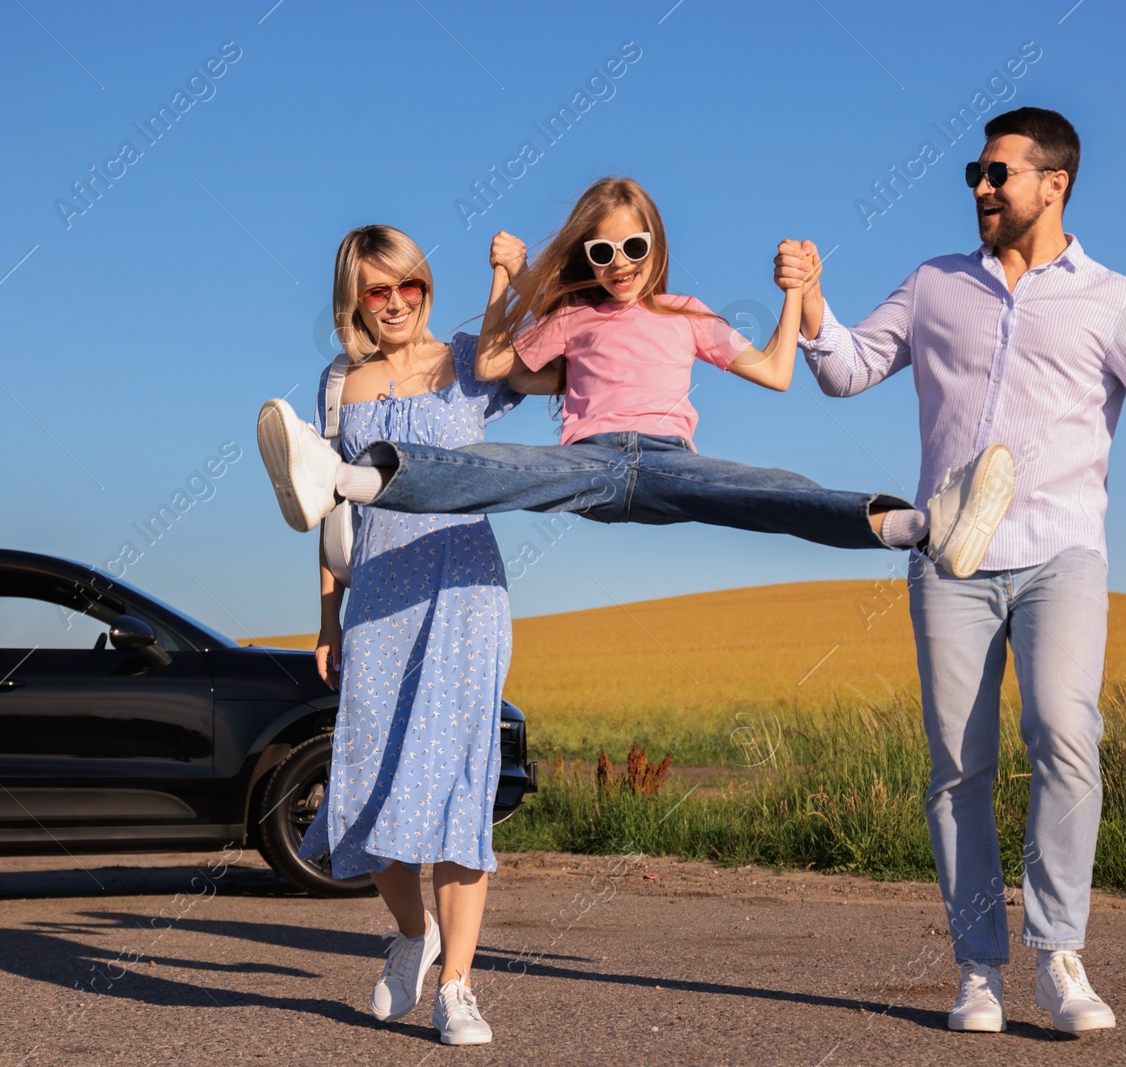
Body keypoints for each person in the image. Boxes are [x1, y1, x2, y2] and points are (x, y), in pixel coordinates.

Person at [776, 107, 1126, 1034]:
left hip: (1063, 553)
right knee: (958, 767)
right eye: (976, 172)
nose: (981, 188)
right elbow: (847, 370)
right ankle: (977, 971)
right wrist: (811, 301)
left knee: (1064, 732)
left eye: (999, 174)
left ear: (1056, 184)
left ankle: (1059, 956)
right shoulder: (934, 284)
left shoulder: (1115, 298)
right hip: (950, 562)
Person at [257, 177, 1017, 578]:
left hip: (668, 462)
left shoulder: (686, 313)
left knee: (771, 488)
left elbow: (780, 372)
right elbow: (491, 364)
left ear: (656, 246)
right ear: (585, 258)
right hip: (588, 461)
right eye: (600, 253)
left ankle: (926, 527)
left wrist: (797, 291)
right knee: (495, 469)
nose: (617, 265)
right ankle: (340, 480)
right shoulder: (575, 317)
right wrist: (508, 280)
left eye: (633, 247)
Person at [276, 225, 559, 1046]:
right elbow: (325, 507)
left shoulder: (474, 356)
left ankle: (459, 987)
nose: (396, 302)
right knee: (364, 788)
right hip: (378, 599)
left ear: (428, 287)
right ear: (355, 299)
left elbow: (556, 364)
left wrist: (516, 275)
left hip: (464, 594)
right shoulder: (341, 386)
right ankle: (412, 934)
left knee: (458, 788)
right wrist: (328, 617)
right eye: (376, 290)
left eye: (409, 286)